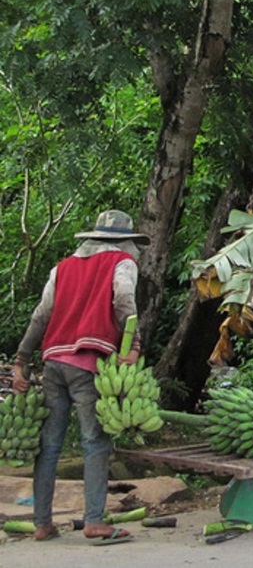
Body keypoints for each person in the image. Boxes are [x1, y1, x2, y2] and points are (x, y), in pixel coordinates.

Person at [11, 209, 148, 543]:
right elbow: (125, 301)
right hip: (88, 363)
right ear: (124, 241)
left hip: (53, 361)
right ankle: (94, 521)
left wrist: (21, 360)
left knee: (50, 444)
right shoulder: (121, 263)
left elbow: (41, 315)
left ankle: (42, 523)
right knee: (95, 441)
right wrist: (134, 346)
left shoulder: (63, 268)